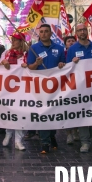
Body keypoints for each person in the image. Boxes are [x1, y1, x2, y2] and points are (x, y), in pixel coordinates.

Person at [26, 24, 66, 154]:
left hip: (55, 87)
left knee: (53, 114)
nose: (43, 34)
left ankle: (52, 135)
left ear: (50, 33)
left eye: (46, 31)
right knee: (43, 114)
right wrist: (36, 64)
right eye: (41, 32)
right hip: (40, 87)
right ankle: (44, 142)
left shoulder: (59, 48)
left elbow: (65, 66)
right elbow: (29, 68)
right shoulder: (33, 48)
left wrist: (62, 64)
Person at [67, 23, 92, 153]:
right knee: (82, 114)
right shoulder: (72, 49)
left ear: (87, 31)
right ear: (77, 33)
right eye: (80, 30)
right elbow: (67, 68)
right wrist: (72, 62)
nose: (82, 32)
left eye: (84, 30)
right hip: (79, 88)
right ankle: (84, 141)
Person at [0, 32, 28, 151]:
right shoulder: (6, 53)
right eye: (13, 39)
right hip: (9, 89)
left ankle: (18, 140)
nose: (13, 42)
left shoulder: (26, 54)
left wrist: (28, 65)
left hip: (23, 89)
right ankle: (8, 133)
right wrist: (3, 62)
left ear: (21, 42)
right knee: (9, 111)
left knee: (21, 113)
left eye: (16, 40)